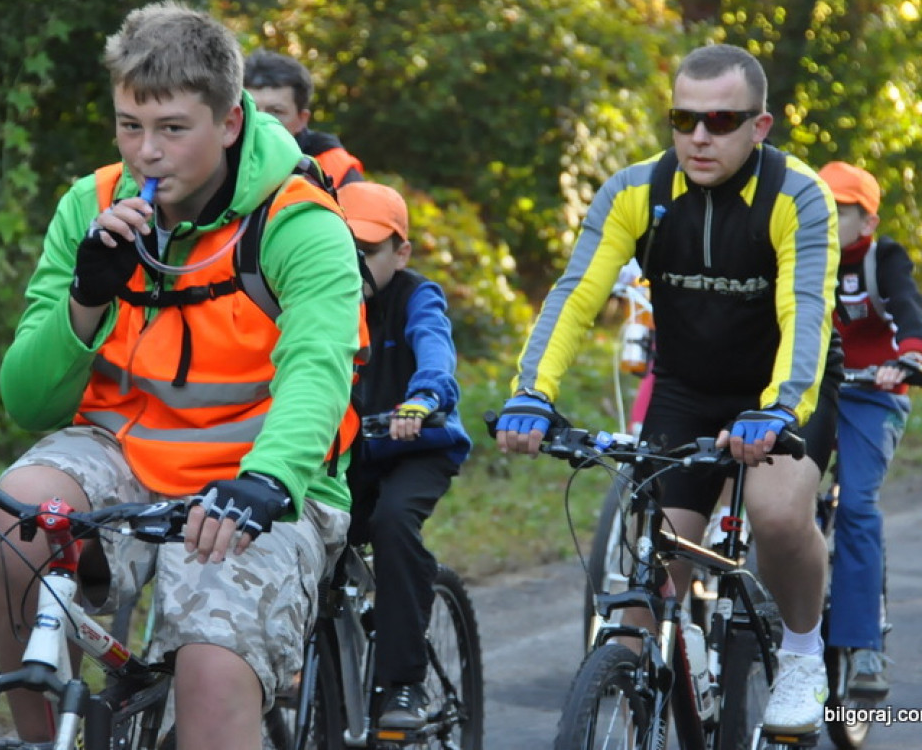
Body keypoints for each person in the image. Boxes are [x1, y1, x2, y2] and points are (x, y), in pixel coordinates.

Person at [0, 0, 364, 750]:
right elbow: (28, 401)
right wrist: (86, 300)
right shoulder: (90, 206)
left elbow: (317, 372)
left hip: (257, 479)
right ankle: (40, 742)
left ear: (228, 123)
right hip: (123, 451)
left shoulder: (300, 224)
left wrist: (269, 479)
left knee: (212, 676)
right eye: (130, 126)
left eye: (171, 129)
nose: (146, 153)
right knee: (13, 515)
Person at [496, 43, 842, 736]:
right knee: (645, 594)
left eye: (721, 120)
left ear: (760, 126)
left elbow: (804, 312)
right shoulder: (636, 191)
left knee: (775, 517)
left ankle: (804, 653)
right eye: (684, 119)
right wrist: (531, 392)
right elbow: (576, 294)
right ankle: (625, 700)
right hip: (687, 391)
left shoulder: (796, 194)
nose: (700, 136)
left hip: (781, 391)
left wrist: (777, 411)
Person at [336, 181, 472, 728]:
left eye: (367, 253)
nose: (356, 265)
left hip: (419, 445)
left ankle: (406, 684)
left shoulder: (417, 295)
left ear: (401, 252)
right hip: (352, 452)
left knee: (393, 522)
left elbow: (434, 345)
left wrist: (423, 397)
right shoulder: (323, 295)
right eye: (343, 250)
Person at [818, 161, 922, 696]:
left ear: (867, 221)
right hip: (815, 392)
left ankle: (864, 650)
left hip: (873, 394)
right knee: (776, 499)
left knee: (857, 506)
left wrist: (907, 359)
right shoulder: (801, 256)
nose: (827, 216)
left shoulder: (885, 259)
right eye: (821, 204)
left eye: (840, 209)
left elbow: (908, 311)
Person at [244, 48, 365, 188]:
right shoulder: (218, 156)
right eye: (250, 110)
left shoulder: (332, 167)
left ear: (302, 119)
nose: (260, 121)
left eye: (276, 112)